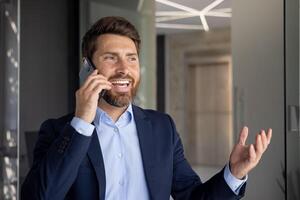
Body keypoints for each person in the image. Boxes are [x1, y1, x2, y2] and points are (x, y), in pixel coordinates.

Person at [21, 16, 272, 200]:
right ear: (88, 67)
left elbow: (194, 196)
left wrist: (234, 174)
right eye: (110, 57)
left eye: (131, 58)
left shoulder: (163, 128)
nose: (124, 68)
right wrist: (81, 125)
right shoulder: (58, 131)